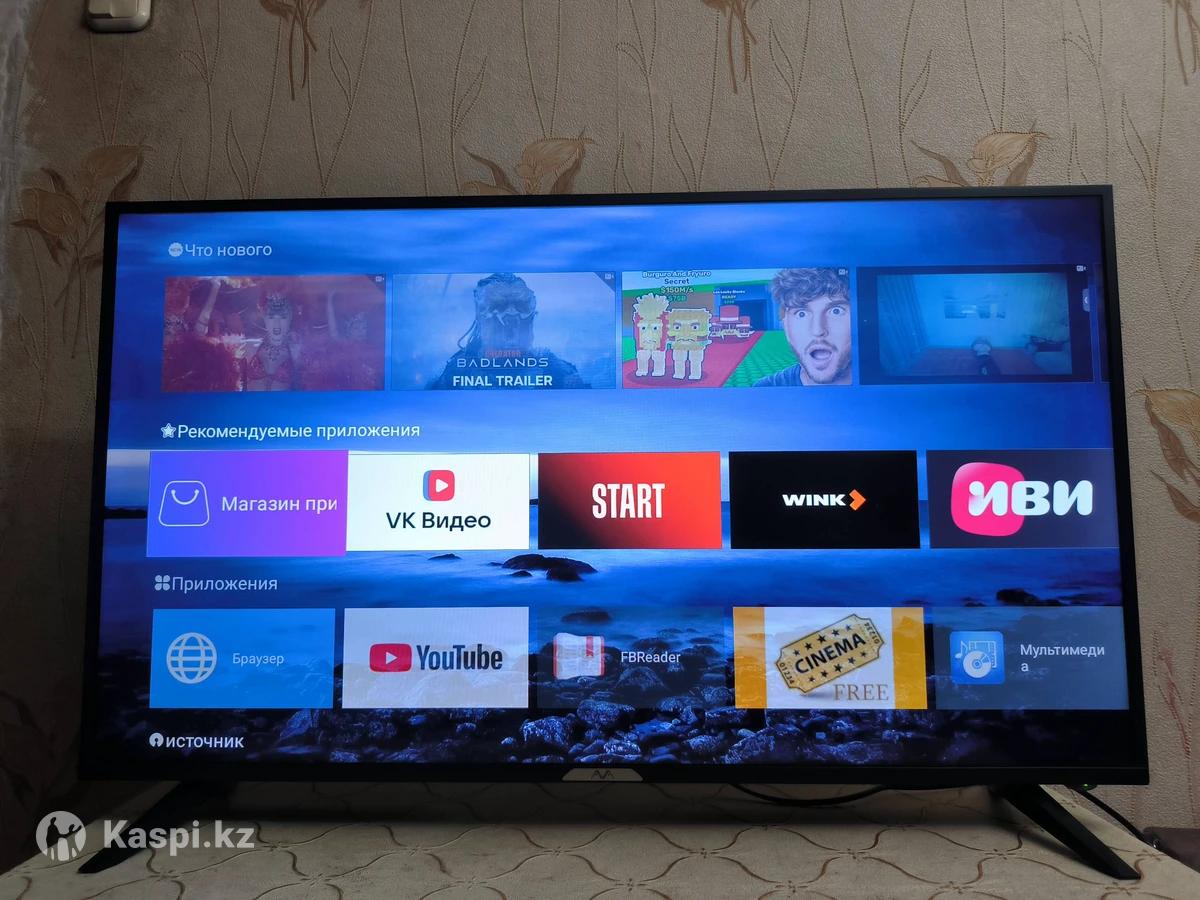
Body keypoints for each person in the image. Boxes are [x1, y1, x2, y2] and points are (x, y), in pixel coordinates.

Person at [428, 273, 585, 389]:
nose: (511, 316)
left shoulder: (552, 367)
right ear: (480, 316)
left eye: (521, 306)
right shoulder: (457, 370)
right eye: (498, 306)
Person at [754, 267, 853, 386]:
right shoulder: (766, 389)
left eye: (836, 311)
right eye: (801, 313)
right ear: (785, 324)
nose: (817, 330)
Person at [245, 292, 300, 391]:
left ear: (291, 317)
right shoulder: (249, 347)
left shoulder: (298, 352)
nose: (276, 324)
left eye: (283, 317)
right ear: (263, 317)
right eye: (271, 317)